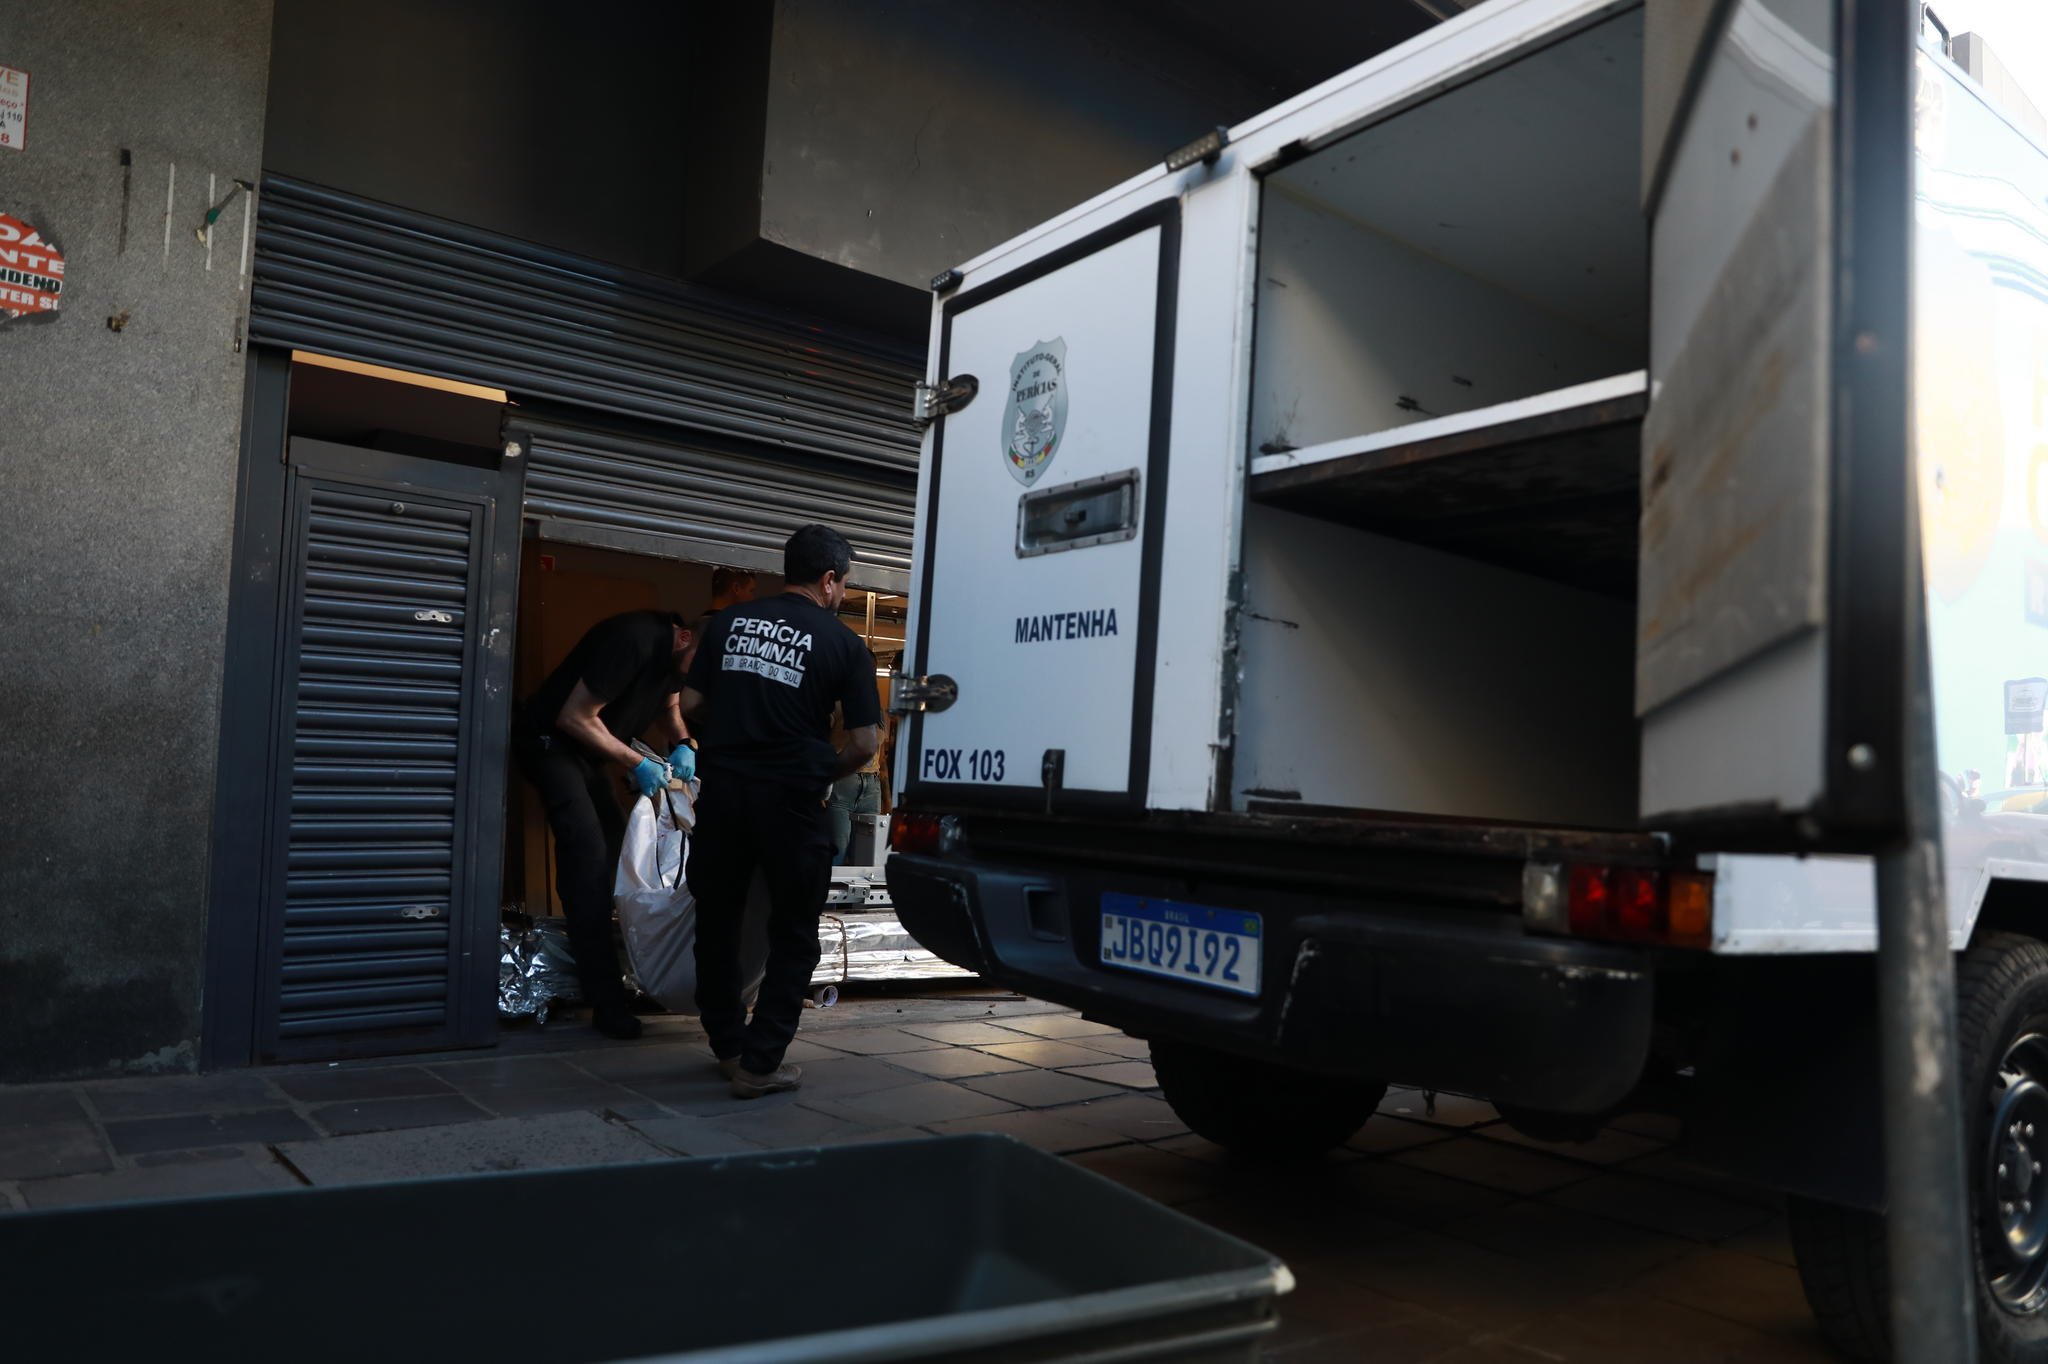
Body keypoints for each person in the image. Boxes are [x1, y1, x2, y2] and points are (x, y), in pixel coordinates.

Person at [679, 525, 882, 1097]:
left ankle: (727, 1044)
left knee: (718, 919)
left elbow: (691, 702)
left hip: (723, 795)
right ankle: (760, 1063)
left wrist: (732, 739)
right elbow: (865, 743)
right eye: (844, 584)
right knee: (793, 932)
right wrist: (820, 769)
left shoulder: (728, 624)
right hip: (793, 803)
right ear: (828, 580)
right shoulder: (845, 645)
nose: (842, 593)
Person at [514, 611, 700, 1039]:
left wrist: (684, 744)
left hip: (588, 753)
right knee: (588, 861)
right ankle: (605, 1002)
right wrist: (636, 761)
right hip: (551, 744)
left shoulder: (677, 658)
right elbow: (573, 717)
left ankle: (625, 966)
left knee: (619, 849)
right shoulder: (632, 641)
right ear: (684, 638)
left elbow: (669, 706)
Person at [826, 682, 884, 863]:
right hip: (844, 779)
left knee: (868, 853)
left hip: (870, 782)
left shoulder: (878, 709)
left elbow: (879, 752)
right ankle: (829, 888)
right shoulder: (836, 705)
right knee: (839, 849)